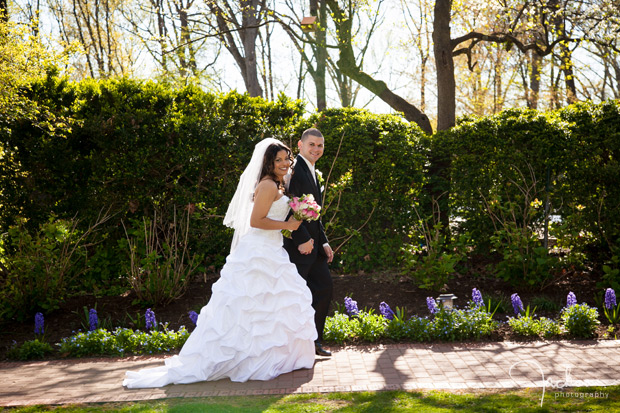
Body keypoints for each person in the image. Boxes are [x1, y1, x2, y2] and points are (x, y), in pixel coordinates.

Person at [123, 138, 317, 388]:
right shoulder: (268, 185)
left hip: (272, 248)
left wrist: (293, 221)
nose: (283, 163)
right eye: (277, 160)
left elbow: (269, 218)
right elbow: (256, 221)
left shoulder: (279, 185)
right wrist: (288, 225)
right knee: (250, 306)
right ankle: (246, 359)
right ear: (267, 163)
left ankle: (269, 357)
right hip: (258, 253)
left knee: (270, 304)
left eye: (285, 159)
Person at [283, 128, 334, 357]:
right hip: (298, 248)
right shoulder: (294, 171)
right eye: (312, 144)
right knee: (297, 297)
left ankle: (314, 342)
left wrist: (323, 242)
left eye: (320, 145)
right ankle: (295, 346)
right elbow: (287, 206)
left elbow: (314, 214)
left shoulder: (313, 171)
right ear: (300, 146)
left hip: (315, 248)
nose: (316, 149)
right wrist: (302, 239)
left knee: (324, 289)